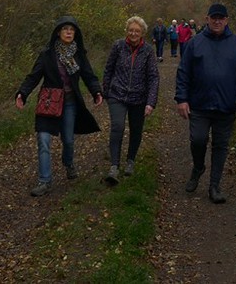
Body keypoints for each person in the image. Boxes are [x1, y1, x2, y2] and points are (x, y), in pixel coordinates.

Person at [175, 3, 236, 204]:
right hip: (199, 105)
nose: (217, 21)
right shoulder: (195, 43)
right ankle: (198, 167)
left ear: (226, 20)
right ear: (207, 19)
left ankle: (214, 186)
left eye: (221, 18)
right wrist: (182, 99)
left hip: (225, 106)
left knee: (220, 146)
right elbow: (183, 72)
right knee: (198, 140)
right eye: (214, 18)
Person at [16, 15, 103, 197]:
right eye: (65, 29)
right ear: (58, 32)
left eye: (72, 29)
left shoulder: (78, 54)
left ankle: (68, 163)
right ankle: (44, 181)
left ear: (75, 33)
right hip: (49, 103)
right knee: (43, 140)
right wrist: (22, 94)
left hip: (70, 103)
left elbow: (88, 75)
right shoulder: (47, 54)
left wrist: (96, 92)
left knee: (68, 140)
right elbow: (33, 76)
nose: (69, 32)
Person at [102, 16, 160, 185]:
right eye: (131, 30)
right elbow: (108, 69)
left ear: (142, 33)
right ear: (127, 31)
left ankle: (130, 161)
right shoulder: (118, 46)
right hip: (117, 94)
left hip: (139, 97)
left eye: (137, 31)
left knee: (136, 129)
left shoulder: (148, 50)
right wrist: (106, 92)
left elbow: (153, 77)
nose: (133, 33)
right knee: (117, 126)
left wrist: (150, 102)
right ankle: (114, 166)